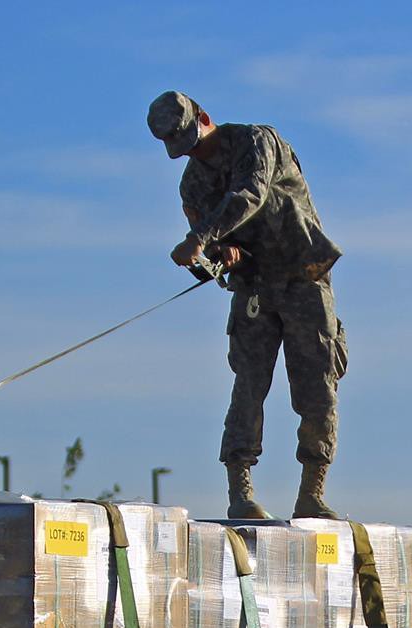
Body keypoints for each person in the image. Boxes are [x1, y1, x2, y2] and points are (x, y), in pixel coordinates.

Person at [148, 91, 346, 520]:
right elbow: (219, 243)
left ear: (204, 117)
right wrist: (221, 252)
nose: (192, 155)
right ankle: (240, 488)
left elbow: (249, 194)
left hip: (302, 275)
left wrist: (201, 237)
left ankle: (312, 491)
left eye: (193, 141)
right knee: (248, 384)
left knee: (316, 384)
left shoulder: (259, 142)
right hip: (255, 286)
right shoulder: (193, 184)